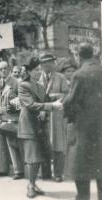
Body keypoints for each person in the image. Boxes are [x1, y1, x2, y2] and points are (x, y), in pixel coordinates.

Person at [61, 43, 102, 200]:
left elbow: (71, 101)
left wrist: (63, 104)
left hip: (84, 130)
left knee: (81, 168)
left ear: (79, 55)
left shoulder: (80, 74)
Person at [18, 57, 62, 198]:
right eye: (35, 70)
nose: (38, 72)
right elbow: (30, 104)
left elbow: (45, 101)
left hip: (40, 125)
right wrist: (50, 107)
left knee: (38, 157)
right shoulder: (23, 85)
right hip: (29, 125)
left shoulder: (40, 86)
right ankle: (30, 185)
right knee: (32, 157)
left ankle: (33, 184)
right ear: (29, 71)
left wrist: (46, 109)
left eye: (39, 69)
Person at [0, 61, 24, 179]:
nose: (3, 71)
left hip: (11, 118)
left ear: (9, 69)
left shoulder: (16, 82)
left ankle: (18, 170)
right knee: (0, 144)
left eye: (5, 68)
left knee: (12, 143)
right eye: (0, 69)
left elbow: (23, 99)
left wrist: (13, 105)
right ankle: (2, 169)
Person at [38, 53, 69, 182]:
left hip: (56, 115)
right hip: (42, 115)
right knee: (44, 144)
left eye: (49, 63)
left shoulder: (61, 78)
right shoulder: (38, 79)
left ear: (53, 63)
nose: (47, 66)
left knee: (58, 144)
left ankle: (58, 173)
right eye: (44, 64)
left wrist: (54, 96)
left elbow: (67, 95)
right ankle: (45, 172)